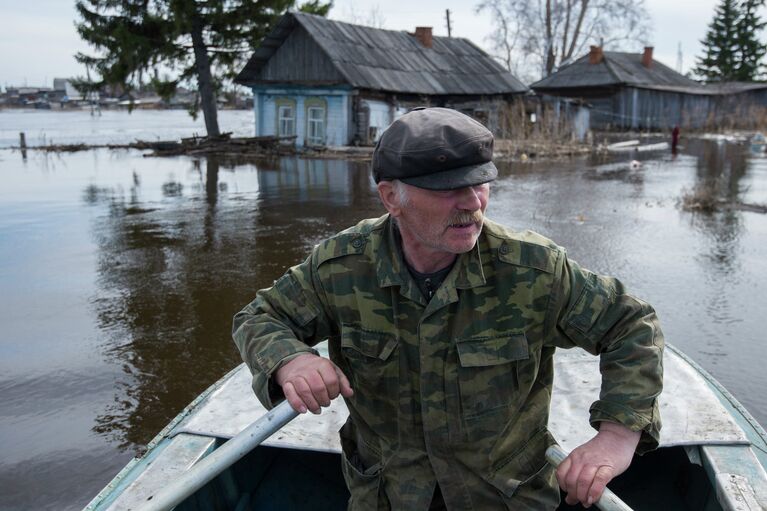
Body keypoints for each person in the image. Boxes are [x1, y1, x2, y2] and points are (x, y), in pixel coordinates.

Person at [233, 107, 663, 510]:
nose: (473, 202)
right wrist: (291, 360)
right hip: (387, 498)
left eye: (480, 183)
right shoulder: (341, 267)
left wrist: (617, 435)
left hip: (506, 498)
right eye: (449, 189)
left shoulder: (532, 270)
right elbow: (260, 316)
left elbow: (630, 324)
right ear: (391, 198)